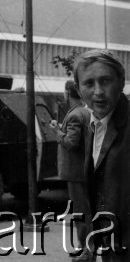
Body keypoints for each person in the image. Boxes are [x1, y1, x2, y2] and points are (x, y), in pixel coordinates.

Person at [73, 49, 130, 261]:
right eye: (89, 84)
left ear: (121, 82)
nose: (98, 91)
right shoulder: (94, 125)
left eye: (105, 80)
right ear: (79, 90)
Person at [50, 80, 92, 261]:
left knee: (81, 212)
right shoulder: (85, 112)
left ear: (67, 93)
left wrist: (56, 132)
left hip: (75, 172)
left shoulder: (75, 115)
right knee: (86, 211)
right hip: (83, 170)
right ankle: (87, 248)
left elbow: (71, 143)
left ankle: (86, 251)